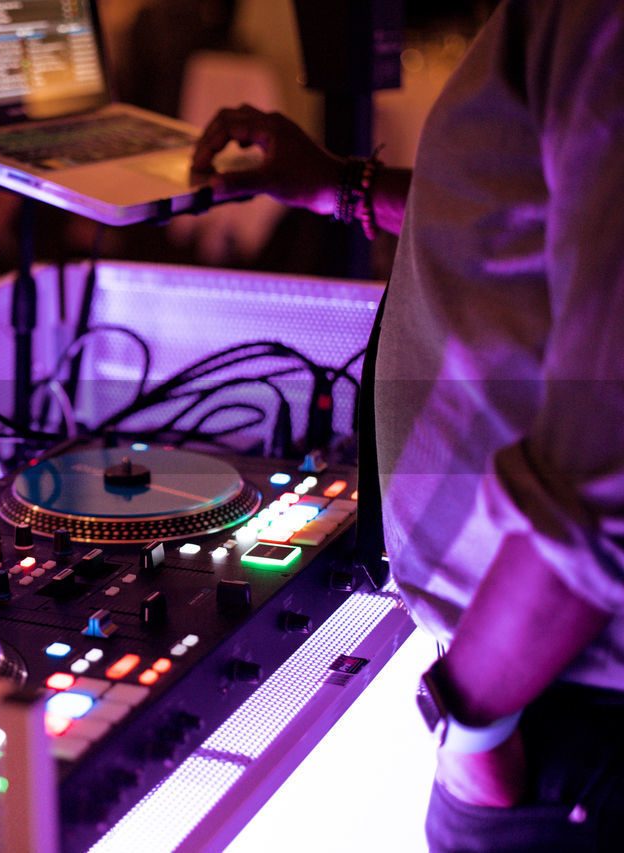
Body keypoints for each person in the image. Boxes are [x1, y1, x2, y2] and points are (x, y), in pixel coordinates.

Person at [189, 1, 624, 850]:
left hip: (562, 724)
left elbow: (604, 479)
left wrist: (473, 726)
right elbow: (528, 215)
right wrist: (343, 189)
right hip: (538, 698)